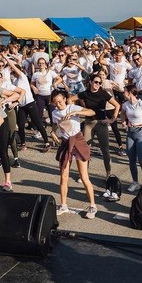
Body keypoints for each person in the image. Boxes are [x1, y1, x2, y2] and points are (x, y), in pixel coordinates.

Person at [50, 89, 98, 219]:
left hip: (78, 141)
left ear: (65, 99)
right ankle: (63, 205)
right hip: (66, 143)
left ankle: (93, 206)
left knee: (84, 177)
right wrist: (53, 132)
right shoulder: (54, 113)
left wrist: (77, 112)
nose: (58, 104)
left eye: (60, 101)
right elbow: (55, 124)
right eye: (55, 102)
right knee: (63, 177)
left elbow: (92, 112)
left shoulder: (72, 107)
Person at [77, 73, 121, 179]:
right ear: (90, 82)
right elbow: (70, 100)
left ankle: (108, 173)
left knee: (105, 150)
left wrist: (112, 119)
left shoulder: (103, 93)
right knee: (86, 149)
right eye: (96, 82)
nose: (98, 84)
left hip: (101, 124)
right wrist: (78, 111)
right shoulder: (85, 93)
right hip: (88, 124)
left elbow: (117, 105)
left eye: (100, 83)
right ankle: (84, 174)